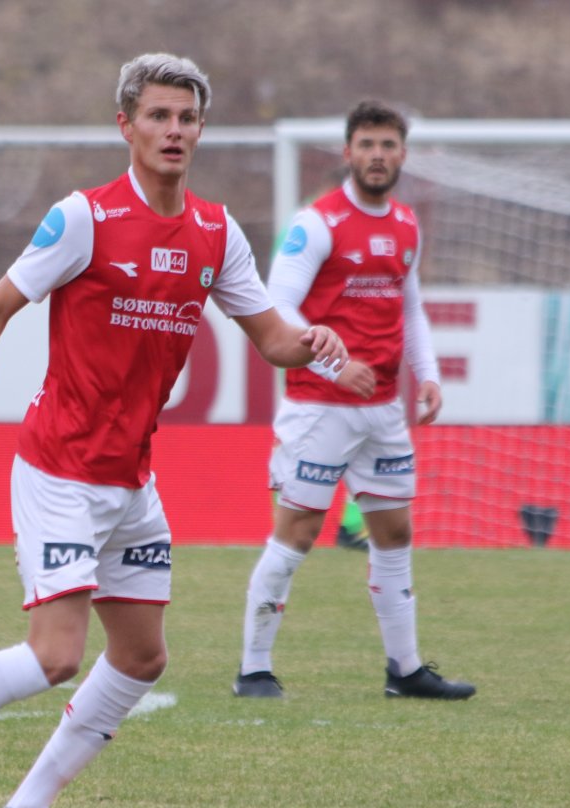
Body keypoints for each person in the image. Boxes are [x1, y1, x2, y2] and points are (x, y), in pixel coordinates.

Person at [0, 53, 348, 808]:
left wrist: (312, 341)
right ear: (126, 126)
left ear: (201, 129)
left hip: (130, 479)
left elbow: (273, 340)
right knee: (57, 656)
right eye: (158, 116)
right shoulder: (85, 218)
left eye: (186, 118)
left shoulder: (216, 232)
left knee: (142, 656)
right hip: (60, 470)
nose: (174, 130)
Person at [232, 100, 475, 702]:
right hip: (320, 406)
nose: (377, 155)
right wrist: (334, 365)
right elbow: (277, 306)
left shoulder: (407, 225)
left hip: (384, 411)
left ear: (403, 154)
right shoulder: (317, 223)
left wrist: (428, 374)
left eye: (388, 145)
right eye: (366, 144)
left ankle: (405, 670)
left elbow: (409, 308)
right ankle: (253, 669)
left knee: (394, 533)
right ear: (347, 152)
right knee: (297, 534)